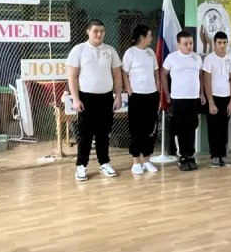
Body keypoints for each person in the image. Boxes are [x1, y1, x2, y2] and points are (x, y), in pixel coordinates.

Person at [66, 20, 123, 182]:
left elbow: (117, 75)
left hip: (106, 98)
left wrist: (118, 96)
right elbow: (72, 76)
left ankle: (104, 163)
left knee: (103, 134)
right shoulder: (79, 50)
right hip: (86, 98)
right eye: (96, 31)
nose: (99, 34)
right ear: (88, 32)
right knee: (85, 134)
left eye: (102, 31)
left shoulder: (110, 50)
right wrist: (75, 99)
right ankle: (81, 166)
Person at [121, 25, 161, 176]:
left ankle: (147, 159)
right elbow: (124, 73)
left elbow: (156, 72)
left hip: (152, 95)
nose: (151, 38)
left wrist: (158, 89)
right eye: (150, 35)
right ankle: (136, 161)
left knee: (150, 129)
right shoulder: (130, 53)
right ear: (142, 37)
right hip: (137, 96)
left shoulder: (151, 52)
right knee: (136, 129)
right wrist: (129, 90)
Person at [162, 30, 204, 171]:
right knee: (181, 128)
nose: (189, 46)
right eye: (185, 43)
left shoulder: (197, 58)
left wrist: (202, 93)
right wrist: (167, 93)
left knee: (192, 127)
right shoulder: (171, 58)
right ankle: (182, 156)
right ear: (178, 44)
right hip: (178, 98)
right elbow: (163, 73)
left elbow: (200, 75)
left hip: (193, 98)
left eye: (191, 43)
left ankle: (190, 155)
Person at [202, 30, 231, 168]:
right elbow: (206, 81)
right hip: (213, 97)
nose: (222, 45)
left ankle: (223, 154)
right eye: (219, 42)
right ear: (214, 43)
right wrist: (211, 102)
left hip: (227, 97)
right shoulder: (209, 59)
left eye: (224, 42)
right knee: (213, 128)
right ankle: (214, 155)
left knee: (224, 127)